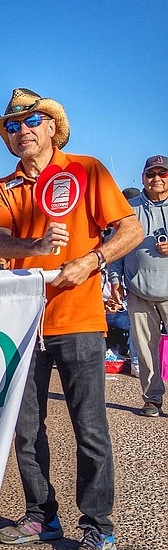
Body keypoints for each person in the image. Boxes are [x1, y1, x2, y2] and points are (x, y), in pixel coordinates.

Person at [0, 88, 142, 550]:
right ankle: (40, 515)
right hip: (24, 324)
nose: (22, 131)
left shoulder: (88, 169)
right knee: (26, 429)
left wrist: (91, 260)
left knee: (89, 427)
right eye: (12, 126)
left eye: (31, 121)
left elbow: (130, 229)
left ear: (52, 126)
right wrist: (34, 247)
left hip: (79, 319)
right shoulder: (2, 187)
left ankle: (98, 528)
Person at [108, 155, 168, 417]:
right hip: (138, 291)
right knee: (144, 349)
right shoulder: (127, 209)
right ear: (143, 177)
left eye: (162, 174)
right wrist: (114, 281)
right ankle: (152, 399)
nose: (156, 179)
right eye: (151, 174)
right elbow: (115, 249)